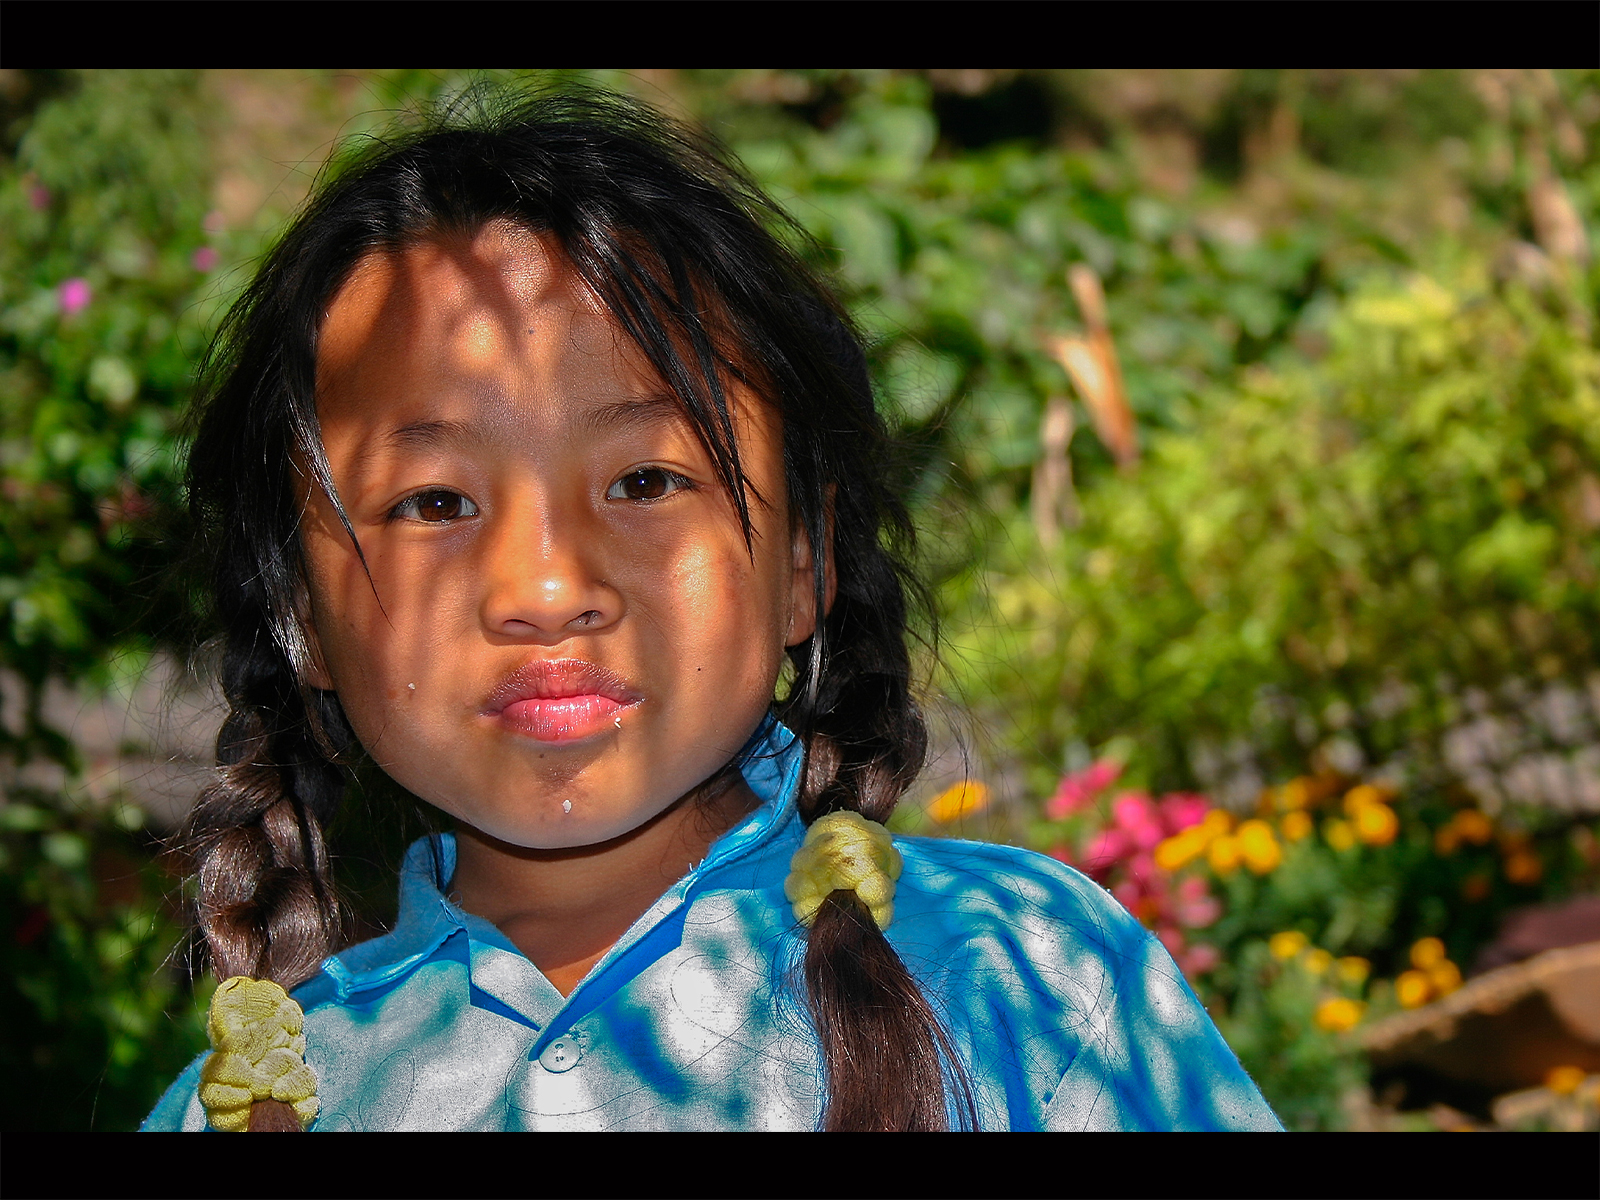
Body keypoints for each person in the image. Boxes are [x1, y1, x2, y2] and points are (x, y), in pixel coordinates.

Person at [142, 91, 1280, 1133]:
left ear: (803, 561)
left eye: (645, 481)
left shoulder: (1022, 975)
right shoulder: (241, 1107)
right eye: (434, 501)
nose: (547, 592)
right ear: (301, 616)